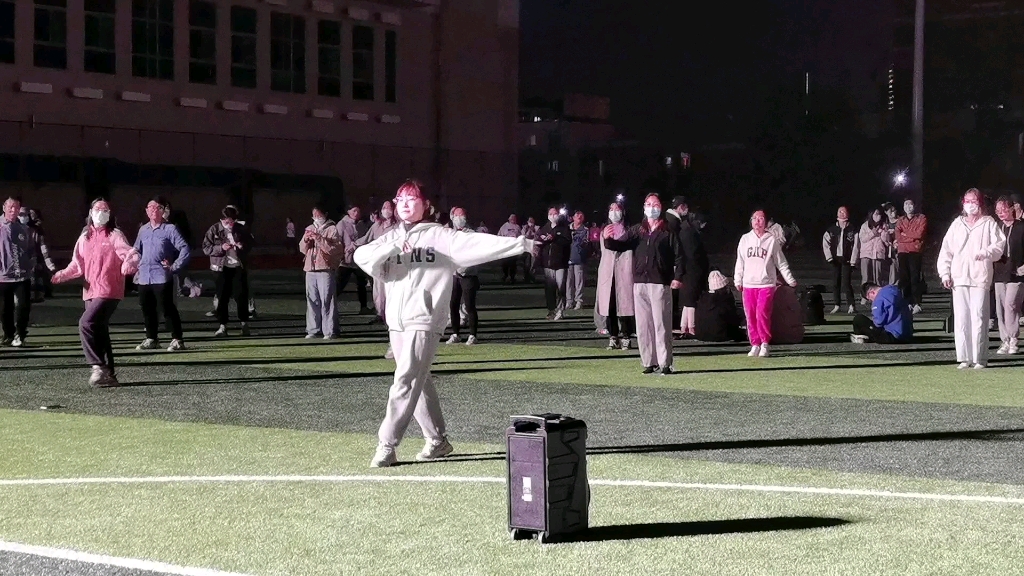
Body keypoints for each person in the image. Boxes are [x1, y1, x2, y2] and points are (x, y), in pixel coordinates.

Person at [354, 179, 535, 467]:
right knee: (418, 379)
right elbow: (361, 256)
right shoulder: (392, 236)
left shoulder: (441, 237)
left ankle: (386, 444)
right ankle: (438, 440)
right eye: (400, 198)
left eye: (412, 199)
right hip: (397, 322)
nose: (404, 203)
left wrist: (520, 243)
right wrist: (390, 249)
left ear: (426, 205)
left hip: (424, 319)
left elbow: (478, 243)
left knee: (405, 380)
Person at [50, 199, 140, 387]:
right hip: (90, 290)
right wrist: (62, 275)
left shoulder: (115, 235)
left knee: (86, 323)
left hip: (109, 289)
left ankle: (97, 366)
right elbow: (77, 264)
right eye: (98, 209)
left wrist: (129, 264)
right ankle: (110, 374)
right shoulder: (85, 237)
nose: (102, 213)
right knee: (100, 330)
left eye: (105, 210)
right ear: (91, 212)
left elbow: (130, 253)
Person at [603, 193, 684, 375]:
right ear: (644, 207)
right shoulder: (638, 229)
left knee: (661, 324)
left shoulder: (668, 231)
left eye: (654, 204)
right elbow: (622, 246)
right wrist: (608, 240)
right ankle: (649, 361)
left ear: (660, 208)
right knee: (643, 325)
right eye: (648, 204)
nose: (651, 207)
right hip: (639, 282)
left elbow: (679, 256)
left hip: (659, 282)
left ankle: (665, 362)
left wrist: (677, 277)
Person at [937, 188, 1005, 369]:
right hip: (959, 278)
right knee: (961, 320)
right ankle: (964, 357)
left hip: (979, 277)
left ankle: (980, 358)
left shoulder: (989, 223)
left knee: (979, 318)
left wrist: (986, 253)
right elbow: (946, 250)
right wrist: (945, 273)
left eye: (973, 201)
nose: (970, 204)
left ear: (980, 203)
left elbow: (999, 245)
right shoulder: (957, 224)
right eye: (967, 201)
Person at [735, 210, 798, 358]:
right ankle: (755, 344)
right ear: (751, 221)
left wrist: (789, 279)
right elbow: (740, 262)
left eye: (761, 218)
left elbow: (780, 262)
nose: (758, 221)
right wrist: (738, 279)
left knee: (762, 313)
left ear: (766, 222)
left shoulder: (771, 240)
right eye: (755, 218)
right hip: (749, 284)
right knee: (750, 315)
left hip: (766, 284)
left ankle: (764, 343)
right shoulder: (745, 239)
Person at [133, 197, 191, 352]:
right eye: (150, 207)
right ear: (146, 211)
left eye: (157, 207)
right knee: (147, 309)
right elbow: (136, 249)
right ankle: (152, 338)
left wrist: (174, 266)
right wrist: (132, 262)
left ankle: (177, 340)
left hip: (162, 275)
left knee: (167, 308)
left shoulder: (170, 229)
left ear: (162, 211)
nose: (153, 210)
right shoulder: (143, 230)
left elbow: (184, 248)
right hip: (144, 276)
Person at [203, 205, 254, 337]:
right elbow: (206, 248)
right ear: (222, 219)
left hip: (238, 266)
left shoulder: (240, 229)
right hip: (220, 268)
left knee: (241, 295)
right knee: (222, 297)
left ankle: (244, 324)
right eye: (227, 221)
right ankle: (222, 325)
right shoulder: (214, 229)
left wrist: (242, 246)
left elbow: (251, 243)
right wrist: (221, 247)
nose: (229, 224)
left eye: (232, 221)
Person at [665, 196, 709, 338]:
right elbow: (690, 252)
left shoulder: (680, 225)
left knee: (687, 299)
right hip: (689, 267)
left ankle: (685, 326)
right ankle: (690, 327)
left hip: (684, 266)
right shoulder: (683, 228)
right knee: (690, 298)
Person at [596, 202, 635, 350]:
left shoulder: (629, 230)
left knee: (625, 305)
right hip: (608, 271)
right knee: (610, 306)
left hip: (624, 270)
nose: (614, 212)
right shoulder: (604, 230)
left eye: (617, 209)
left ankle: (626, 336)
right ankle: (613, 336)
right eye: (611, 209)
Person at [300, 206, 343, 339]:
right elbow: (302, 249)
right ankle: (313, 329)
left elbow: (333, 249)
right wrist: (306, 240)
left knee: (327, 300)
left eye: (319, 215)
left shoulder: (332, 229)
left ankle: (330, 330)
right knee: (312, 300)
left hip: (325, 268)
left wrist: (319, 238)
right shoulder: (310, 227)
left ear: (325, 214)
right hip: (310, 269)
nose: (316, 218)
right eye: (314, 215)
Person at [0, 197, 36, 347]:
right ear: (4, 208)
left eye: (16, 208)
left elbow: (30, 249)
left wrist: (31, 265)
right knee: (4, 308)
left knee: (23, 306)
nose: (13, 211)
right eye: (10, 207)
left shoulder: (23, 228)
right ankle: (8, 334)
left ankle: (20, 334)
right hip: (3, 276)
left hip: (22, 275)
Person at [992, 196, 1024, 354]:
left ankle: (1013, 339)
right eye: (998, 210)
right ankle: (1004, 340)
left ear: (1012, 208)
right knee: (1001, 306)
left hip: (1017, 272)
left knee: (1011, 305)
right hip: (999, 271)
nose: (1001, 213)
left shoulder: (1021, 227)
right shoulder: (996, 227)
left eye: (1004, 209)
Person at [446, 207, 482, 345]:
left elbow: (475, 254)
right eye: (456, 215)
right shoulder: (450, 234)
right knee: (453, 304)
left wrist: (463, 269)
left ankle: (473, 335)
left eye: (461, 215)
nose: (459, 218)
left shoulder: (471, 234)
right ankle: (455, 333)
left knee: (469, 306)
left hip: (468, 274)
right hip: (454, 275)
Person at [822, 206, 860, 314]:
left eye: (844, 211)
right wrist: (829, 257)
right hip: (835, 259)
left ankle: (851, 305)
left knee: (846, 283)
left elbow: (856, 246)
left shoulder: (853, 229)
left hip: (847, 260)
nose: (842, 213)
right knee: (835, 283)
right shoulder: (831, 229)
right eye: (840, 211)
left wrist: (853, 261)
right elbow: (825, 243)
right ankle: (837, 304)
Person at [537, 207, 572, 320]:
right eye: (550, 213)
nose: (553, 215)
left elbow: (567, 241)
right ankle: (551, 310)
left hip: (560, 263)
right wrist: (542, 239)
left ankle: (560, 310)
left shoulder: (564, 228)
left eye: (555, 213)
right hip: (547, 263)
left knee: (561, 288)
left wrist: (555, 237)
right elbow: (539, 240)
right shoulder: (544, 228)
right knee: (549, 288)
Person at [337, 204, 371, 314]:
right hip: (345, 260)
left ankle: (364, 307)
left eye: (358, 211)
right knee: (340, 284)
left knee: (362, 284)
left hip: (358, 260)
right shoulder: (342, 224)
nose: (356, 213)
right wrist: (341, 254)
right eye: (354, 211)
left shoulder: (361, 225)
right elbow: (337, 240)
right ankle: (330, 305)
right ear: (348, 211)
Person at [896, 198, 928, 314]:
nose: (908, 207)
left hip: (915, 251)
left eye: (910, 204)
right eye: (906, 204)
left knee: (915, 278)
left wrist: (906, 234)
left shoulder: (921, 218)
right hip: (902, 251)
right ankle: (907, 302)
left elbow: (919, 234)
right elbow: (898, 236)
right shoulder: (900, 220)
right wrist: (911, 237)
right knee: (904, 278)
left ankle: (917, 303)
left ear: (914, 206)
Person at [694, 270, 744, 343]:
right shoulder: (724, 299)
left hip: (702, 335)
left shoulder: (703, 299)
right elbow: (733, 319)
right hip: (722, 335)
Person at [858, 207, 891, 304]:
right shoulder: (865, 225)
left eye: (879, 214)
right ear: (871, 214)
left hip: (878, 253)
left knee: (878, 277)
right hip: (866, 254)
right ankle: (864, 296)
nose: (878, 216)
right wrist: (873, 233)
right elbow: (862, 238)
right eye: (875, 214)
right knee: (866, 276)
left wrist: (884, 233)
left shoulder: (884, 225)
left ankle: (878, 297)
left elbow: (887, 241)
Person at [22, 208, 55, 303]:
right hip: (27, 260)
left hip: (35, 259)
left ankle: (37, 294)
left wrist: (50, 265)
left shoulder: (36, 231)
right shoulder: (19, 229)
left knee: (37, 276)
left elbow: (44, 248)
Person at [566, 210, 591, 310]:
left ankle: (579, 301)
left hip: (579, 258)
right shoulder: (567, 228)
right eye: (577, 215)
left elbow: (586, 243)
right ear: (573, 217)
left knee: (579, 281)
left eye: (581, 216)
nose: (579, 217)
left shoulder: (585, 230)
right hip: (568, 257)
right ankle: (569, 301)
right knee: (568, 281)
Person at [497, 214, 522, 283]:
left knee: (513, 264)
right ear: (509, 219)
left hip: (514, 248)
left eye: (514, 218)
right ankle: (505, 275)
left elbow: (520, 237)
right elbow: (499, 235)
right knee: (505, 263)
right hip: (506, 248)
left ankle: (512, 277)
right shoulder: (504, 226)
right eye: (512, 218)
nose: (513, 219)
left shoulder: (517, 227)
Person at [882, 202, 901, 286]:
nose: (893, 213)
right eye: (890, 211)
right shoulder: (885, 223)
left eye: (894, 210)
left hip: (898, 248)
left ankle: (896, 284)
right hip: (887, 249)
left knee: (897, 267)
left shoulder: (900, 221)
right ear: (886, 212)